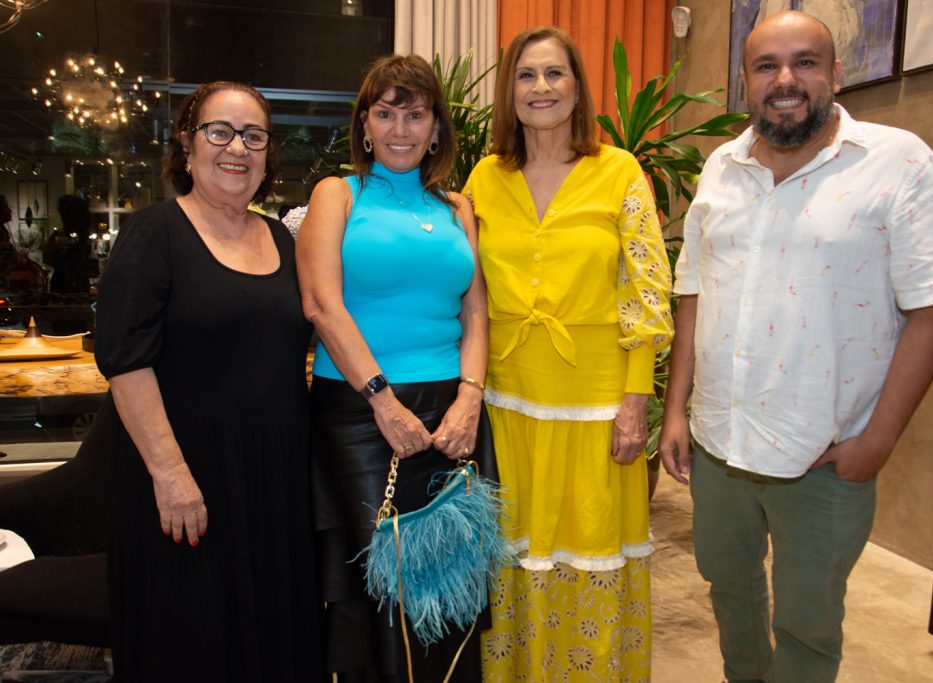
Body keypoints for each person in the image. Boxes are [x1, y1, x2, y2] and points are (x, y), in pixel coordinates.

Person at [658, 11, 933, 683]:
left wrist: (878, 441)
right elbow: (694, 294)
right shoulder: (720, 167)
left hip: (823, 454)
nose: (785, 79)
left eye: (804, 61)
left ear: (835, 72)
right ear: (745, 81)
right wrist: (677, 409)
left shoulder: (898, 161)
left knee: (808, 622)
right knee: (729, 590)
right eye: (766, 66)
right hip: (719, 444)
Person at [462, 26, 674, 681]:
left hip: (597, 407)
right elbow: (463, 287)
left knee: (589, 554)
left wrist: (635, 401)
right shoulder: (485, 177)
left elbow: (646, 289)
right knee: (513, 557)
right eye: (526, 75)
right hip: (506, 404)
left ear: (578, 88)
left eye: (555, 73)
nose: (541, 88)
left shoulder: (619, 171)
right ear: (509, 91)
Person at [95, 81, 322, 681]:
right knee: (190, 642)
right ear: (186, 144)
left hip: (274, 480)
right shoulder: (154, 232)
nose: (237, 148)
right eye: (219, 132)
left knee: (271, 639)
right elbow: (125, 361)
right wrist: (170, 475)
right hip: (186, 478)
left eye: (254, 136)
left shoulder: (282, 238)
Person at [296, 54, 491, 682]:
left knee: (452, 581)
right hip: (360, 412)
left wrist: (470, 398)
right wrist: (382, 400)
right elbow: (322, 306)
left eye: (415, 115)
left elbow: (475, 311)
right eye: (385, 114)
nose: (400, 129)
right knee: (380, 590)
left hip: (451, 410)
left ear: (436, 127)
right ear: (364, 124)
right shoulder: (337, 194)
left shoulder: (458, 207)